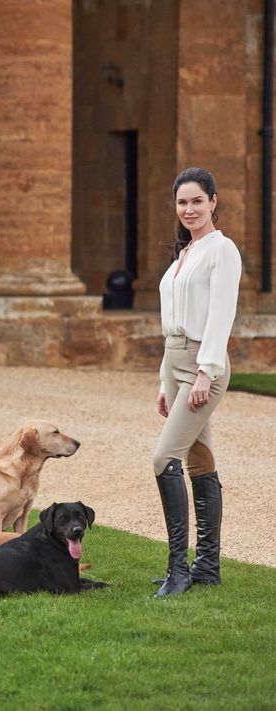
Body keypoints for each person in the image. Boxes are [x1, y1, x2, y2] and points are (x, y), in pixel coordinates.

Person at [152, 167, 241, 598]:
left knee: (163, 457)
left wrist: (206, 371)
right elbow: (171, 325)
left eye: (197, 202)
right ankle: (206, 567)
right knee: (198, 460)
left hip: (203, 363)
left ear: (213, 202)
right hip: (176, 361)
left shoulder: (221, 251)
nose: (189, 209)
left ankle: (178, 570)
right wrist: (162, 381)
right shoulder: (184, 253)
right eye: (182, 202)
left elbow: (221, 315)